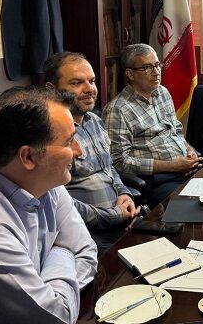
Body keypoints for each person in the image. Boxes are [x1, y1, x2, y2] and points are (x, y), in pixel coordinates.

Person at [0, 86, 97, 323]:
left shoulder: (45, 181)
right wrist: (63, 250)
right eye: (69, 142)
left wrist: (52, 285)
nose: (79, 150)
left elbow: (87, 252)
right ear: (28, 157)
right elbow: (58, 315)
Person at [45, 51, 141, 254]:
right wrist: (114, 215)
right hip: (87, 234)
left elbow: (109, 168)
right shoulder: (48, 134)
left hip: (120, 221)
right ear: (51, 89)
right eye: (77, 83)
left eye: (92, 81)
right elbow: (56, 201)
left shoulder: (94, 120)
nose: (89, 89)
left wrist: (124, 194)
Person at [102, 43, 203, 207]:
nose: (156, 72)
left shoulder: (162, 92)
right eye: (147, 67)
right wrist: (173, 166)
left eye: (157, 65)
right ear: (130, 74)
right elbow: (119, 163)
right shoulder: (118, 110)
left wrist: (189, 150)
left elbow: (176, 130)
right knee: (193, 207)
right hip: (157, 180)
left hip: (186, 169)